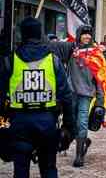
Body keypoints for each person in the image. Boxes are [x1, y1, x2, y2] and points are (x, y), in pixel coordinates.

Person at [0, 17, 75, 178]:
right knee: (48, 168)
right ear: (40, 34)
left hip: (20, 122)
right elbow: (66, 95)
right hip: (46, 122)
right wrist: (69, 125)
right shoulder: (53, 61)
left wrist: (3, 119)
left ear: (22, 35)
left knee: (20, 170)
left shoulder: (10, 61)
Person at [66, 25, 104, 167]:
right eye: (84, 34)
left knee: (82, 122)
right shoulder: (70, 50)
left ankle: (78, 156)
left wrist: (100, 100)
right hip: (71, 92)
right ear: (79, 35)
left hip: (86, 93)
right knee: (73, 122)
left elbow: (100, 77)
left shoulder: (95, 53)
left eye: (89, 34)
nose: (87, 36)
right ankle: (84, 142)